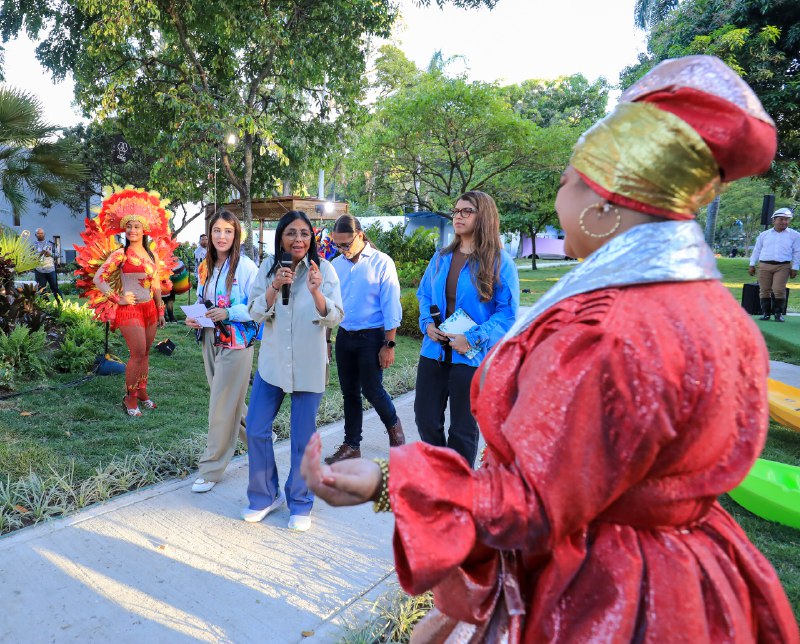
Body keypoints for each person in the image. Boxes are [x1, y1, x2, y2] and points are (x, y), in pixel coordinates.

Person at [301, 56, 799, 642]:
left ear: (603, 201)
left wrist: (388, 482)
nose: (558, 196)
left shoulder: (609, 328)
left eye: (565, 180)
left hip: (608, 591)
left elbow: (532, 502)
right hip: (694, 576)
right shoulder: (717, 313)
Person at [243, 210, 343, 531]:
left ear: (311, 237)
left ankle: (300, 502)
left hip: (308, 363)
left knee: (302, 437)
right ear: (281, 237)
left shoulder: (324, 269)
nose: (298, 239)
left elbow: (335, 316)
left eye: (304, 233)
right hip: (273, 363)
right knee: (256, 428)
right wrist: (274, 286)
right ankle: (264, 495)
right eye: (291, 233)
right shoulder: (268, 267)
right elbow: (255, 312)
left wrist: (316, 292)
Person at [413, 191, 518, 467]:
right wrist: (427, 323)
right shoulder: (441, 257)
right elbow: (424, 294)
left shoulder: (499, 262)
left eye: (466, 211)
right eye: (456, 211)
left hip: (471, 358)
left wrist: (472, 338)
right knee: (425, 418)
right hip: (434, 352)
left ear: (483, 216)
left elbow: (507, 313)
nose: (458, 216)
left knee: (462, 429)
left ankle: (457, 484)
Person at [185, 210, 258, 493]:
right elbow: (203, 299)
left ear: (236, 234)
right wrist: (195, 317)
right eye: (217, 230)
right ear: (210, 233)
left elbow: (259, 306)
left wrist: (229, 312)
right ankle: (259, 440)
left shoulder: (246, 267)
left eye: (228, 231)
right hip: (209, 338)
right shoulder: (205, 266)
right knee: (229, 401)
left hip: (236, 342)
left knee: (220, 405)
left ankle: (211, 468)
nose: (222, 236)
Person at [324, 215, 405, 465]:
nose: (342, 249)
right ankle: (352, 445)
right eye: (337, 245)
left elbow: (391, 305)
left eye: (346, 244)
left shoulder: (381, 262)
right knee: (349, 393)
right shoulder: (336, 265)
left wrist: (389, 345)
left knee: (372, 390)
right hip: (345, 337)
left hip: (372, 337)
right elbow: (331, 306)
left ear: (360, 235)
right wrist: (327, 340)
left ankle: (396, 433)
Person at [92, 188, 170, 417]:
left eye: (136, 226)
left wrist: (161, 310)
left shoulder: (152, 255)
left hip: (150, 309)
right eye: (128, 227)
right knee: (136, 353)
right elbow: (98, 278)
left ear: (144, 229)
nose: (132, 230)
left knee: (145, 353)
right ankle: (130, 397)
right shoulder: (120, 254)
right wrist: (119, 299)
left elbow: (155, 284)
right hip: (130, 310)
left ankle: (142, 392)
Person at [748, 207, 800, 322]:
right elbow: (757, 250)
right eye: (781, 219)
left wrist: (795, 268)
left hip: (783, 266)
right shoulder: (764, 235)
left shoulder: (795, 235)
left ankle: (778, 314)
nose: (784, 222)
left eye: (787, 219)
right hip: (764, 265)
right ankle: (766, 314)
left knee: (779, 289)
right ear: (773, 220)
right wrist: (752, 264)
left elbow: (797, 252)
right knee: (764, 289)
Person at [32, 228, 62, 301]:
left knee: (55, 288)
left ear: (44, 234)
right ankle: (46, 305)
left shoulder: (50, 244)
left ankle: (60, 303)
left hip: (50, 269)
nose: (40, 235)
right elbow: (30, 257)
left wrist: (50, 254)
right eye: (38, 233)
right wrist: (39, 254)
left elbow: (57, 255)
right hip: (39, 270)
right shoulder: (33, 245)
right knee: (41, 289)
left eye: (42, 233)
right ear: (35, 235)